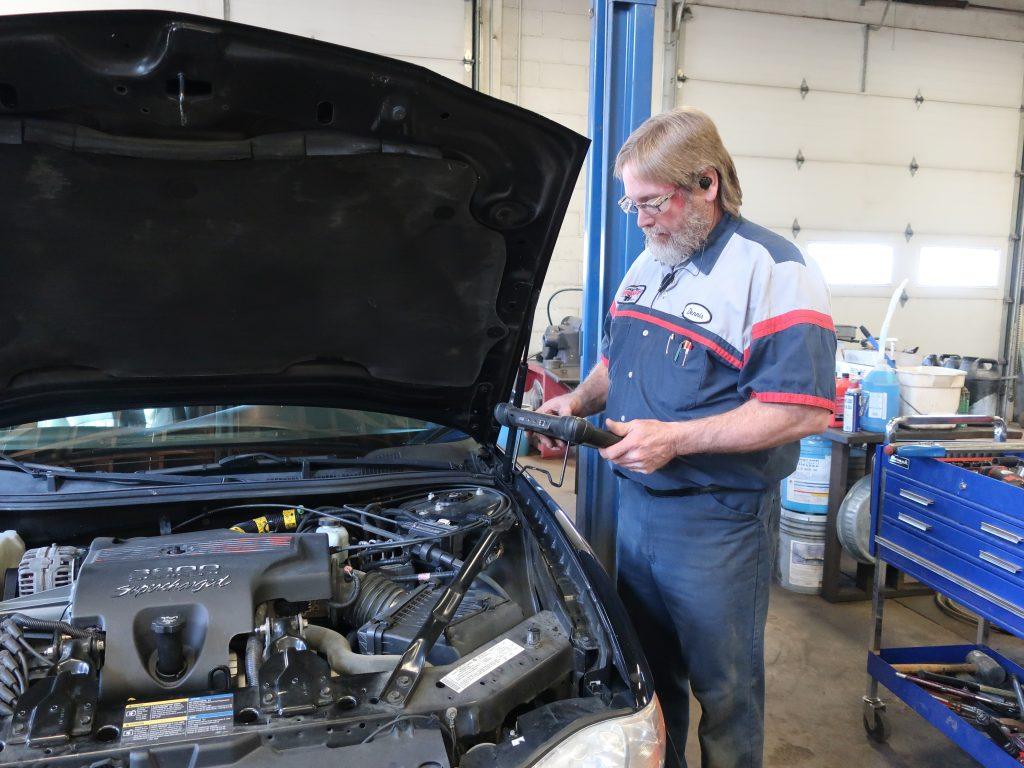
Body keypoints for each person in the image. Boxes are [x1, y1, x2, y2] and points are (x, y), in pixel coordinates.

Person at [536, 107, 837, 768]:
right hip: (632, 507)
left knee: (726, 693)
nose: (641, 219)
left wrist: (675, 439)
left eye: (653, 202)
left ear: (707, 182)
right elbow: (618, 361)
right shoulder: (652, 259)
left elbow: (803, 410)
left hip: (714, 523)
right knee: (647, 680)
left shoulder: (774, 269)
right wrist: (578, 399)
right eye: (632, 204)